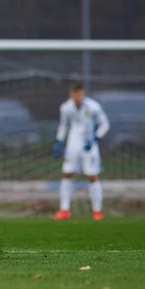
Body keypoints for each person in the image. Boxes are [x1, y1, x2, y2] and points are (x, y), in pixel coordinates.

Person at [52, 81, 110, 220]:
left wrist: (96, 138)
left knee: (92, 176)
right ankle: (64, 209)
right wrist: (59, 141)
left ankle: (97, 211)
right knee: (67, 174)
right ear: (70, 93)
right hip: (73, 145)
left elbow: (105, 124)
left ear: (82, 93)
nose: (76, 96)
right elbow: (64, 125)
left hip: (89, 145)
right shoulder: (66, 107)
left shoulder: (93, 106)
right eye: (74, 93)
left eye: (79, 93)